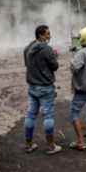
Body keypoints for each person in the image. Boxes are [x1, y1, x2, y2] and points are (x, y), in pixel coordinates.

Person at [23, 24, 62, 154]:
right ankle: (51, 146)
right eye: (47, 34)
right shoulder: (47, 49)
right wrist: (54, 56)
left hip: (32, 86)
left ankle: (29, 144)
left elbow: (27, 64)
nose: (49, 36)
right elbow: (55, 67)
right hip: (45, 88)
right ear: (41, 35)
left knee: (30, 115)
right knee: (48, 116)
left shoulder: (27, 48)